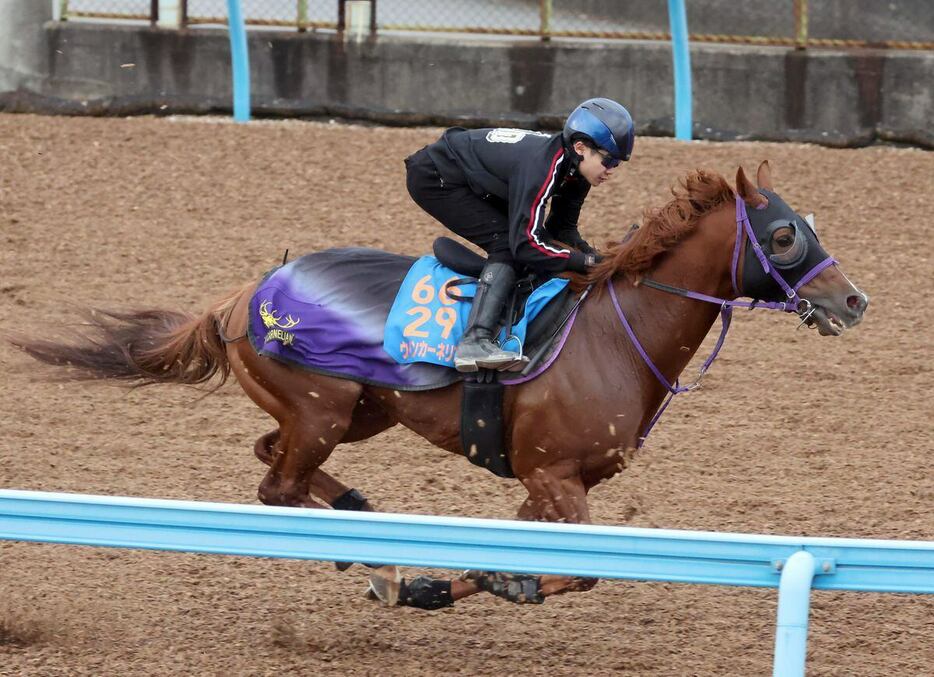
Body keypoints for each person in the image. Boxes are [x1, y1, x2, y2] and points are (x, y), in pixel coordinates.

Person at [405, 97, 634, 372]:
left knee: (534, 246)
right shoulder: (543, 167)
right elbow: (525, 244)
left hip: (476, 177)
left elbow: (563, 230)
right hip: (435, 177)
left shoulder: (575, 168)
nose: (611, 171)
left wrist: (598, 260)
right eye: (608, 160)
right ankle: (474, 340)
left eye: (617, 164)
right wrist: (582, 262)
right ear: (581, 147)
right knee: (507, 243)